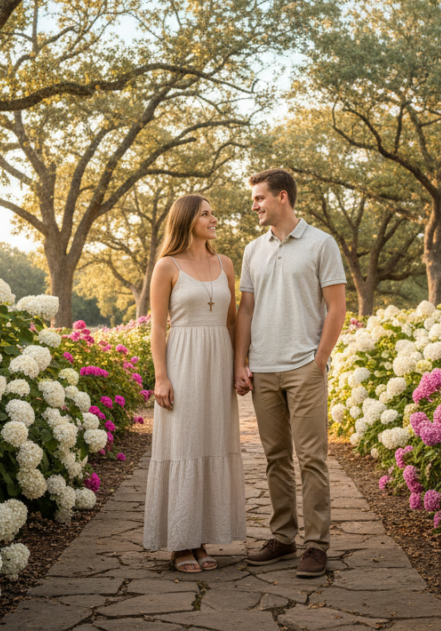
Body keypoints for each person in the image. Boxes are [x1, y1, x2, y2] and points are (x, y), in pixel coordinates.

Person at [234, 168, 347, 578]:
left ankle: (316, 545)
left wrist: (320, 359)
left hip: (304, 367)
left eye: (260, 198)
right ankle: (283, 538)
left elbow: (337, 307)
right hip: (263, 369)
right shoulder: (253, 250)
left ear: (282, 197)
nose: (255, 205)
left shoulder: (321, 243)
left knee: (312, 458)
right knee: (275, 457)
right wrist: (240, 361)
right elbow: (245, 309)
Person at [143, 194, 246, 573]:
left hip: (218, 361)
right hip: (182, 360)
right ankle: (180, 544)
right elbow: (156, 326)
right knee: (184, 444)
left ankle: (201, 539)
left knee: (212, 443)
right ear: (187, 220)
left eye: (213, 212)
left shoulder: (226, 264)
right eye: (206, 213)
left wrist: (239, 366)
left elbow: (233, 321)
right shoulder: (166, 266)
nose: (214, 218)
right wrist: (161, 376)